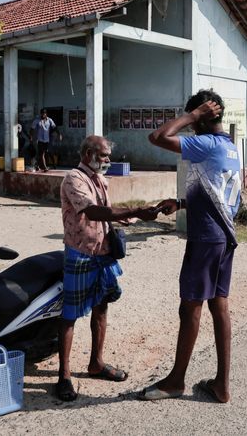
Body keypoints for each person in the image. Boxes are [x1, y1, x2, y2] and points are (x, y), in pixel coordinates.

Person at [140, 89, 241, 403]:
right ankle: (222, 384)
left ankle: (176, 381)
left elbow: (156, 137)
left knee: (190, 308)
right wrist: (183, 203)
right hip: (225, 237)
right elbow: (219, 192)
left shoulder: (205, 143)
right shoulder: (229, 147)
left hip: (206, 238)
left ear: (203, 117)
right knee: (219, 306)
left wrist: (191, 115)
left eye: (195, 119)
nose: (191, 126)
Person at [56, 135, 160, 401]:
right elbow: (92, 212)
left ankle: (96, 364)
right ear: (89, 153)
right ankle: (64, 375)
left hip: (102, 254)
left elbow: (106, 213)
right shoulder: (74, 179)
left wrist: (137, 215)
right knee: (70, 314)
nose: (107, 160)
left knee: (102, 308)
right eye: (104, 155)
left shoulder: (100, 179)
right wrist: (133, 210)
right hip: (80, 253)